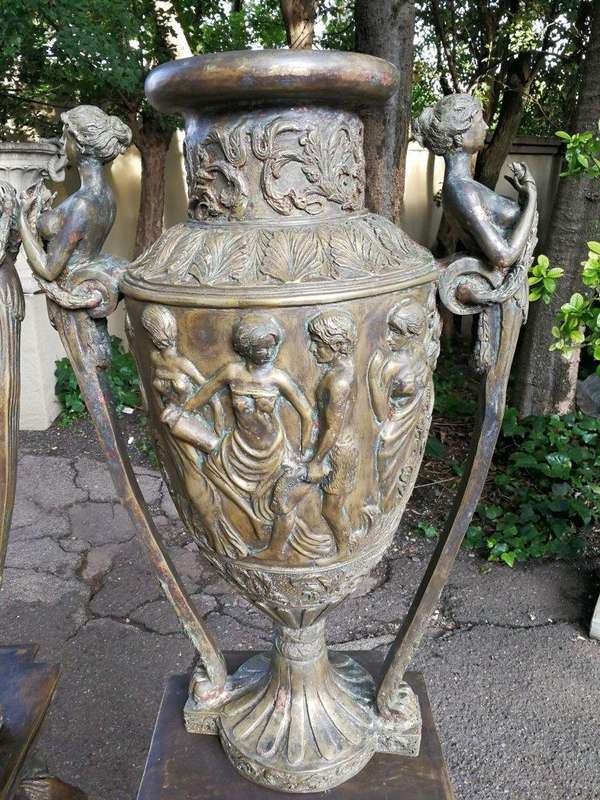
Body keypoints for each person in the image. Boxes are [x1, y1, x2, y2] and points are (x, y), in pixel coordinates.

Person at [162, 312, 313, 550]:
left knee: (275, 498)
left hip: (272, 447)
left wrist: (304, 452)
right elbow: (203, 395)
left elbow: (306, 413)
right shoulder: (232, 373)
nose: (268, 353)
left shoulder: (277, 377)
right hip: (239, 445)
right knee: (214, 471)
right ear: (245, 347)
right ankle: (248, 524)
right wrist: (183, 410)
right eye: (261, 348)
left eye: (271, 347)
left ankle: (269, 534)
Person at [19, 105, 132, 309]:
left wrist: (22, 219)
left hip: (72, 299)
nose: (62, 142)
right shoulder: (106, 196)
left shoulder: (82, 204)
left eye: (66, 136)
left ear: (80, 144)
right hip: (79, 288)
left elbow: (48, 270)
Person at [413, 93, 537, 271]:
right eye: (479, 121)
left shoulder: (464, 186)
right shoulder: (462, 191)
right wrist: (532, 196)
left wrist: (524, 197)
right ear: (460, 136)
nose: (486, 126)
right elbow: (504, 256)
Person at [368, 299, 428, 513]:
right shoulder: (389, 365)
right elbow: (380, 412)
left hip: (410, 423)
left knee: (402, 468)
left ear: (412, 334)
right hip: (392, 429)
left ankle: (387, 512)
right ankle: (383, 512)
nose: (389, 338)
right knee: (385, 462)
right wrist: (374, 377)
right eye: (390, 330)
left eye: (397, 332)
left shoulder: (419, 355)